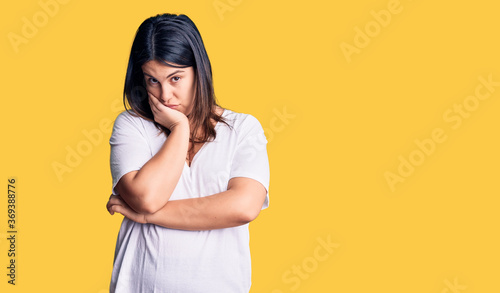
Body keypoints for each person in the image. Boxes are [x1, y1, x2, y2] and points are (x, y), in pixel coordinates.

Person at [105, 13, 270, 293]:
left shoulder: (244, 128)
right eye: (152, 80)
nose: (165, 95)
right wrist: (180, 129)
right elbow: (146, 197)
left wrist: (151, 217)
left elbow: (243, 207)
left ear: (199, 71)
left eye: (175, 78)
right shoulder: (132, 126)